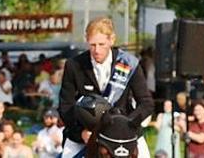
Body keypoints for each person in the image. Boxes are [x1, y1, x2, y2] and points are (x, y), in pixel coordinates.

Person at [58, 17, 152, 158]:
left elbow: (146, 104)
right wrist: (80, 132)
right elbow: (65, 106)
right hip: (85, 132)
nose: (96, 50)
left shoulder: (129, 64)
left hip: (124, 132)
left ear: (112, 40)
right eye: (92, 45)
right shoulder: (74, 65)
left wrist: (127, 125)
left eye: (101, 44)